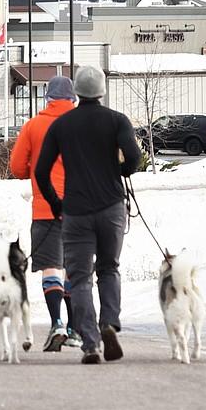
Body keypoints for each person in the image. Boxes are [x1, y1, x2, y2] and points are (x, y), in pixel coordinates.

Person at [34, 65, 142, 365]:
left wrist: (57, 204)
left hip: (76, 212)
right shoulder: (117, 120)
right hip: (111, 208)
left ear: (77, 93)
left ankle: (91, 344)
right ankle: (109, 321)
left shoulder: (62, 125)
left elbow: (41, 171)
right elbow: (134, 158)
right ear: (102, 91)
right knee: (108, 269)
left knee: (80, 279)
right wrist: (118, 171)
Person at [10, 75, 77, 352]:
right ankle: (74, 328)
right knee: (74, 266)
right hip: (80, 208)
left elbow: (17, 167)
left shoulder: (33, 125)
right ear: (72, 98)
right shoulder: (80, 124)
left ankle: (57, 323)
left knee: (52, 267)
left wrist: (33, 172)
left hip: (45, 208)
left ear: (47, 98)